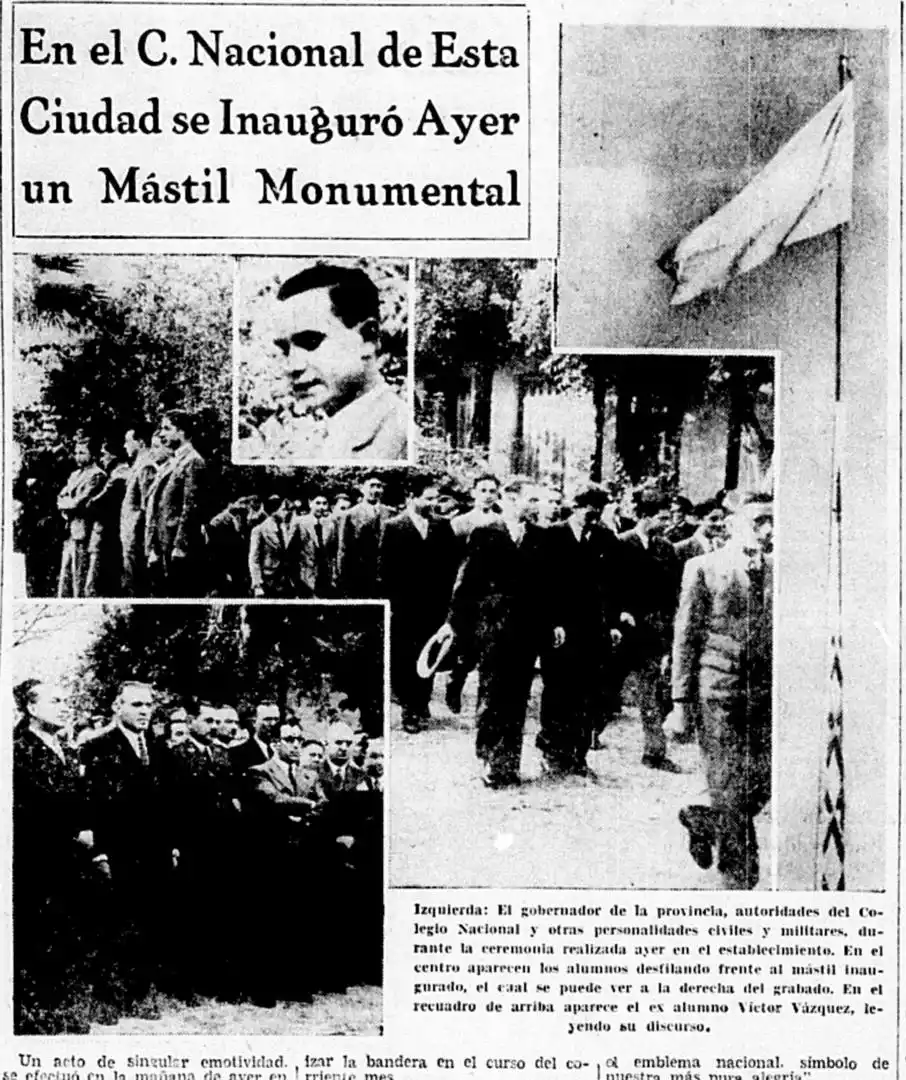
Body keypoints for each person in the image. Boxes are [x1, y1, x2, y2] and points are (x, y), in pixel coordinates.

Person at [668, 492, 773, 890]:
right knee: (729, 780)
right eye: (759, 520)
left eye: (772, 521)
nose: (767, 529)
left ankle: (704, 818)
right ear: (734, 524)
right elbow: (685, 637)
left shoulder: (783, 570)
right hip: (718, 689)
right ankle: (738, 872)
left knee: (764, 778)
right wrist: (680, 703)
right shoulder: (703, 567)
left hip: (764, 693)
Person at [441, 478, 566, 789]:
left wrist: (555, 623)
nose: (536, 505)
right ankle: (489, 757)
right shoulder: (486, 533)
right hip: (493, 629)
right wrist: (453, 623)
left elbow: (548, 588)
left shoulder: (541, 537)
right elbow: (466, 584)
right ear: (512, 498)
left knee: (518, 696)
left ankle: (508, 763)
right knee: (493, 693)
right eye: (531, 499)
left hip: (528, 630)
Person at [249, 264, 408, 462]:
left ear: (368, 338)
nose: (292, 366)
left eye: (311, 342)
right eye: (285, 350)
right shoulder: (336, 431)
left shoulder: (401, 436)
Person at [81, 681, 172, 1019]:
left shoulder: (160, 749)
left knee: (150, 924)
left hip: (155, 853)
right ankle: (107, 1000)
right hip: (118, 852)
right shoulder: (97, 747)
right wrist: (98, 852)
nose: (145, 711)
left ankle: (140, 995)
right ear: (117, 707)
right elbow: (91, 805)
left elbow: (169, 803)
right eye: (136, 705)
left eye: (149, 705)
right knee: (114, 926)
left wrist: (171, 845)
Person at [13, 680, 90, 1033]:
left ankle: (58, 1010)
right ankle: (34, 1016)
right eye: (55, 700)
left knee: (63, 934)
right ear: (31, 708)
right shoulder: (17, 749)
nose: (65, 705)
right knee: (37, 936)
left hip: (68, 859)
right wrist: (71, 831)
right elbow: (31, 806)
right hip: (38, 859)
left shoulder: (66, 748)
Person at [538, 486, 630, 776]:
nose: (591, 515)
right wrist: (552, 622)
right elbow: (541, 585)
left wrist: (614, 623)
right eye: (586, 508)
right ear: (574, 507)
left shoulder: (606, 539)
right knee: (557, 692)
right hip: (560, 632)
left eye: (598, 510)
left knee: (588, 694)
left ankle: (578, 755)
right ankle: (552, 751)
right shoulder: (551, 535)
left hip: (594, 631)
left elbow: (614, 584)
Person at [379, 474, 459, 732]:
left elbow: (450, 566)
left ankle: (422, 701)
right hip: (405, 608)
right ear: (411, 497)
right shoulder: (394, 526)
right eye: (428, 498)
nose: (434, 503)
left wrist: (449, 605)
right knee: (405, 658)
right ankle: (409, 711)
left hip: (435, 606)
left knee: (430, 655)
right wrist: (391, 605)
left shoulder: (442, 525)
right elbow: (386, 570)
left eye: (436, 498)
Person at [618, 490, 683, 772]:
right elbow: (609, 584)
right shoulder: (621, 544)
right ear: (646, 516)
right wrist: (618, 616)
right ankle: (585, 740)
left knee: (651, 691)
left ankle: (654, 752)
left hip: (653, 631)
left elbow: (673, 591)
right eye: (662, 517)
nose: (666, 521)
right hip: (623, 630)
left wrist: (668, 627)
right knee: (604, 689)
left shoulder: (666, 548)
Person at [445, 473, 503, 712]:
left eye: (492, 491)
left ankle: (484, 706)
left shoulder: (503, 522)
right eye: (483, 491)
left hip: (494, 597)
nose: (488, 496)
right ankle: (455, 682)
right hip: (467, 594)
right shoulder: (460, 523)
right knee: (465, 648)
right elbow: (451, 563)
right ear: (474, 493)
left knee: (490, 650)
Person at [144, 410, 207, 596]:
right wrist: (155, 545)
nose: (162, 434)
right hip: (164, 545)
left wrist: (180, 546)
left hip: (178, 550)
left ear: (182, 432)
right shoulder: (175, 461)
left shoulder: (193, 461)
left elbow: (191, 508)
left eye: (167, 428)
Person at [120, 422, 168, 597]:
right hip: (129, 532)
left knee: (135, 580)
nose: (125, 445)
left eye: (128, 441)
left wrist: (140, 536)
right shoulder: (138, 464)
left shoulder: (146, 466)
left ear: (140, 443)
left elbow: (147, 505)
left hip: (135, 533)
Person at [56, 436, 106, 597]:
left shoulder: (97, 475)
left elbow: (80, 502)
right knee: (65, 579)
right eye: (76, 452)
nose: (78, 456)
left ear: (93, 455)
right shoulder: (74, 474)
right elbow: (60, 498)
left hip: (84, 531)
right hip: (69, 530)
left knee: (80, 577)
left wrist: (68, 504)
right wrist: (66, 505)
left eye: (82, 453)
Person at [336, 473, 392, 598]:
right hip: (359, 575)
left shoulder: (390, 513)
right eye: (372, 486)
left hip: (386, 574)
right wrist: (343, 578)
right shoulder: (350, 514)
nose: (376, 490)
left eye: (379, 486)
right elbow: (343, 549)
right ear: (362, 489)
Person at [249, 495, 300, 598]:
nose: (287, 513)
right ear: (274, 511)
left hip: (286, 581)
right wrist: (257, 584)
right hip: (268, 581)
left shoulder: (287, 528)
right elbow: (254, 559)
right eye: (284, 510)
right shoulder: (260, 530)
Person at [297, 490, 339, 597]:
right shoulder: (300, 523)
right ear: (311, 503)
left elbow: (333, 552)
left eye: (325, 503)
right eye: (318, 503)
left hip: (325, 575)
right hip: (305, 576)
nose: (321, 507)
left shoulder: (331, 525)